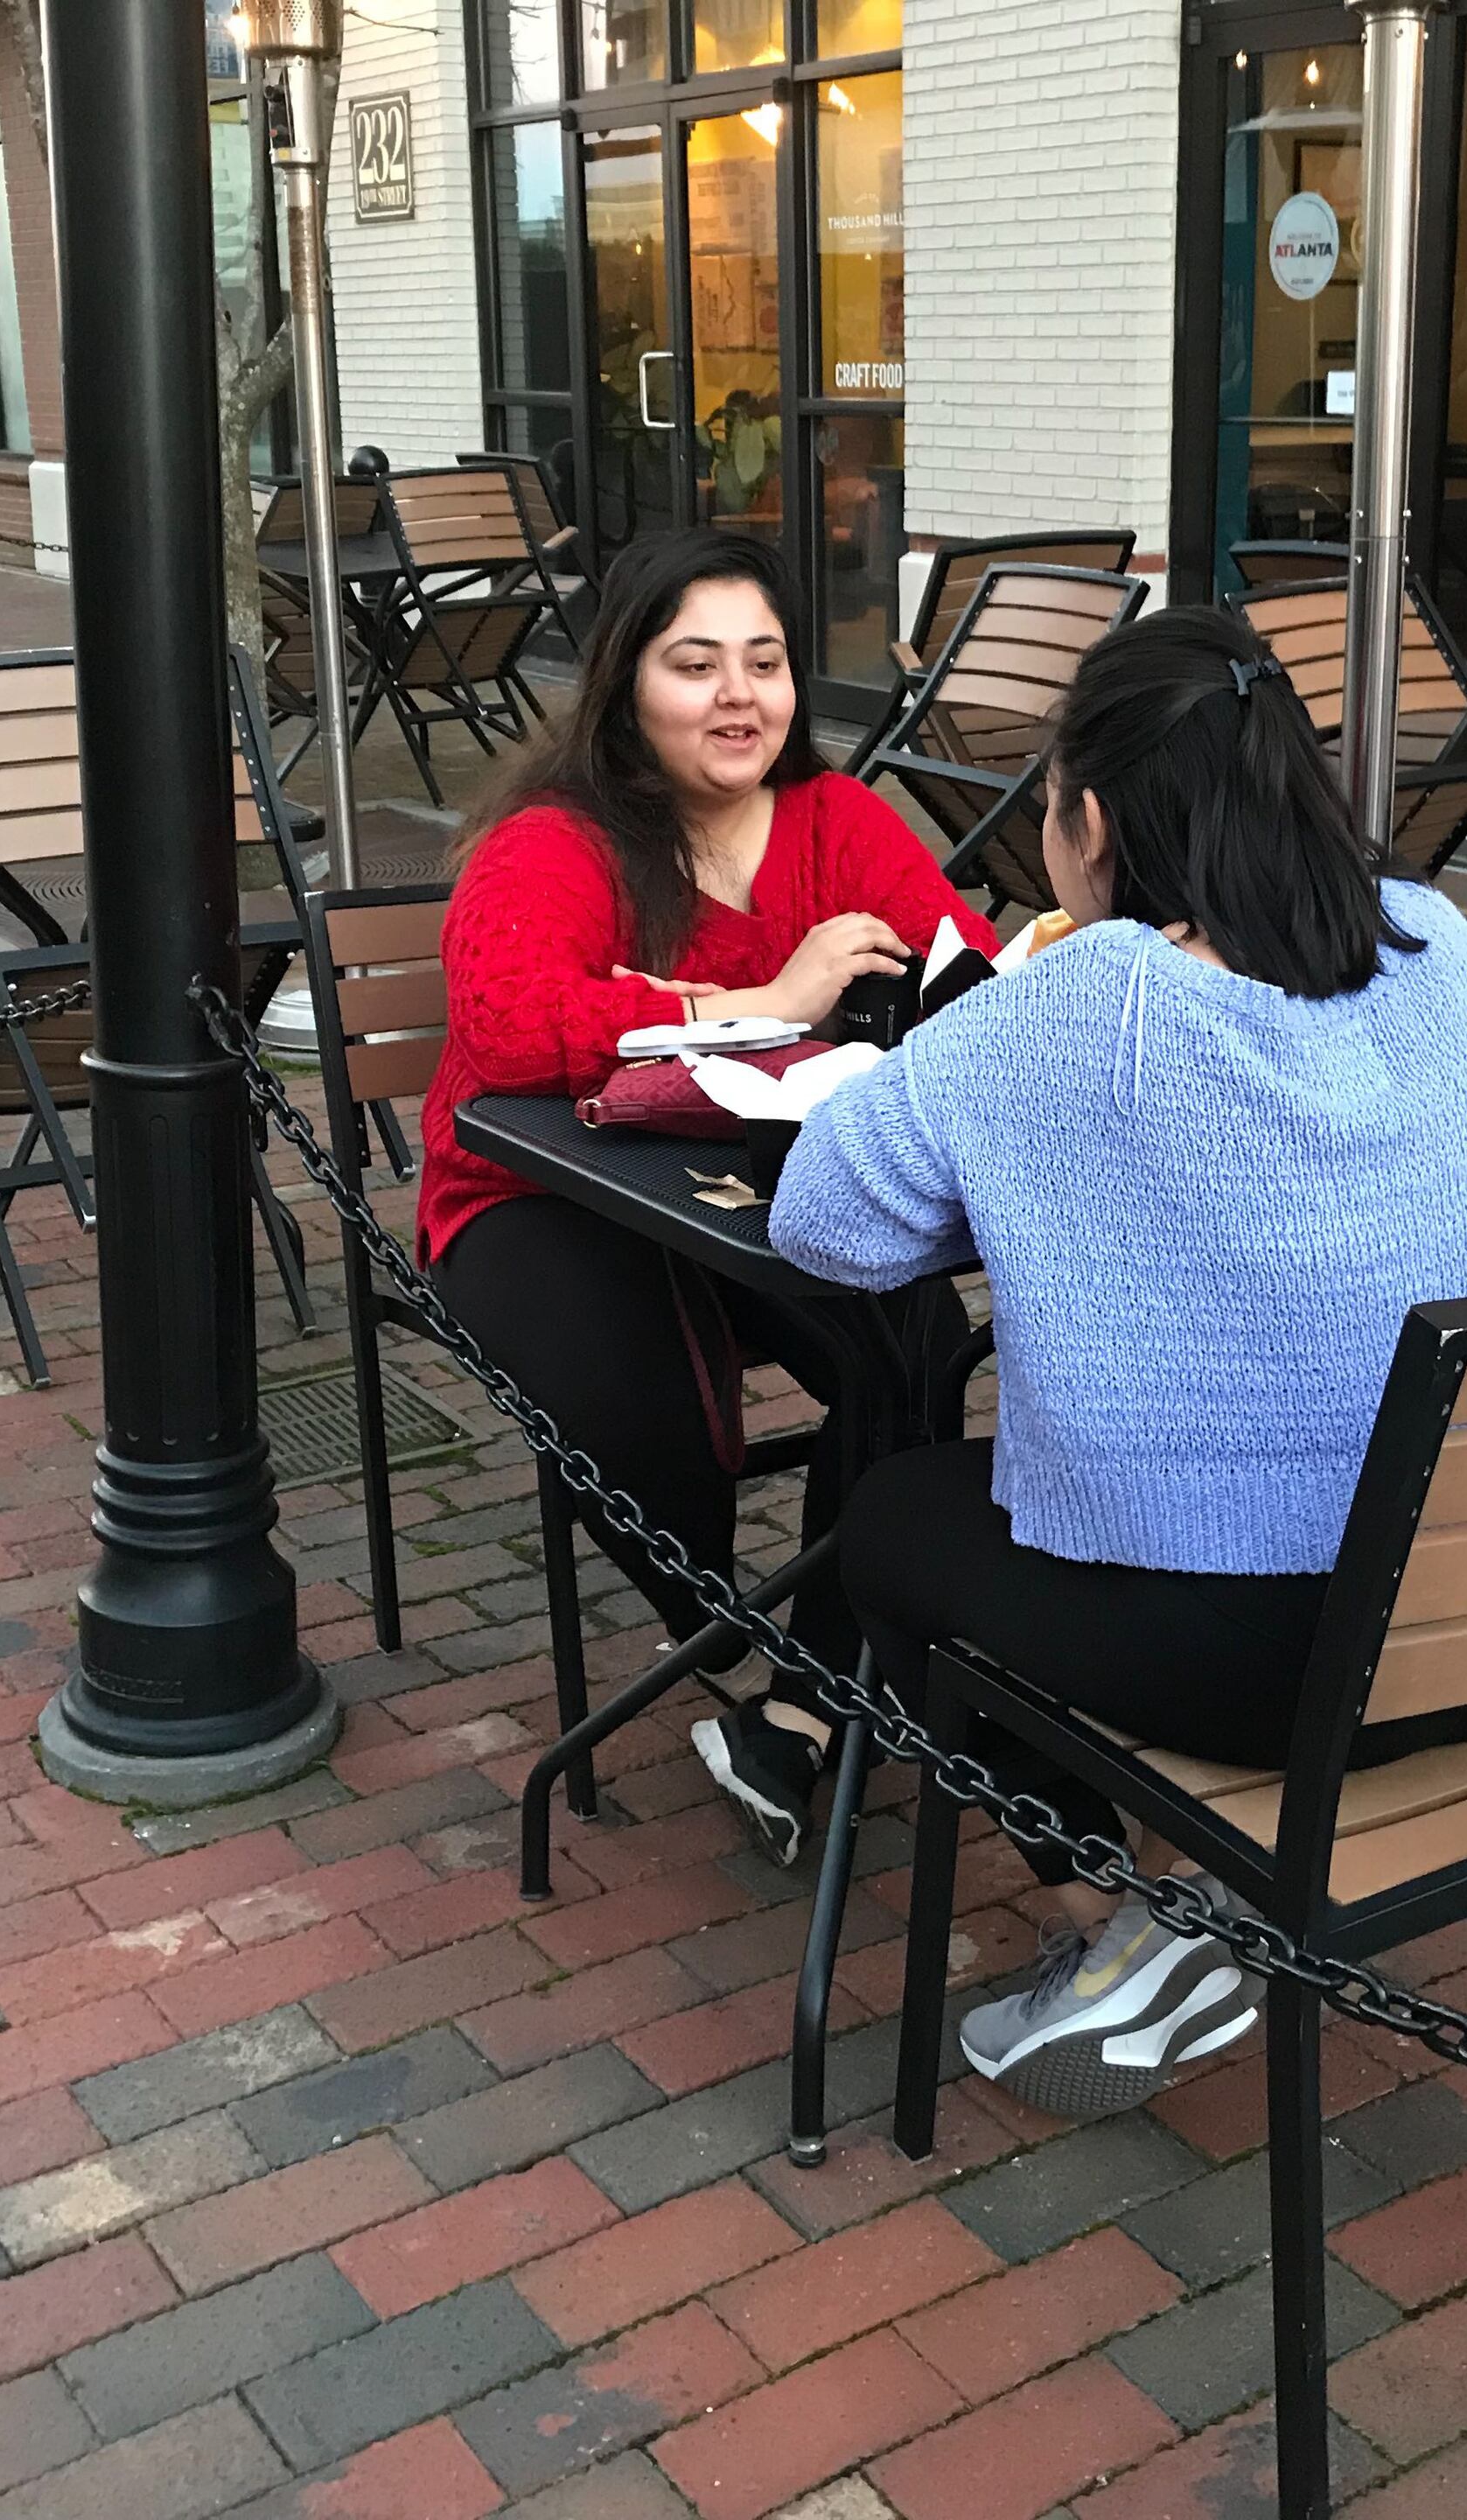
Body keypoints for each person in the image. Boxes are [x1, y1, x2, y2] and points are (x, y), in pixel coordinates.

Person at [765, 607, 1467, 2120]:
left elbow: (829, 1225)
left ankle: (1136, 1925)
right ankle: (1177, 1896)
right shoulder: (1441, 942)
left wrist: (1008, 1032)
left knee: (901, 1523)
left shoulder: (1073, 1005)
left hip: (1299, 1677)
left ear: (1093, 822)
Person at [419, 528, 995, 1859]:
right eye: (696, 664)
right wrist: (767, 1001)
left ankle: (804, 1711)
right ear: (626, 681)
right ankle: (720, 1640)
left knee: (905, 1345)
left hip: (755, 1190)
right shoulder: (554, 843)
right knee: (642, 1411)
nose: (741, 696)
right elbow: (510, 1029)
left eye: (767, 661)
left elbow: (958, 971)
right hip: (537, 1196)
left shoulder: (839, 821)